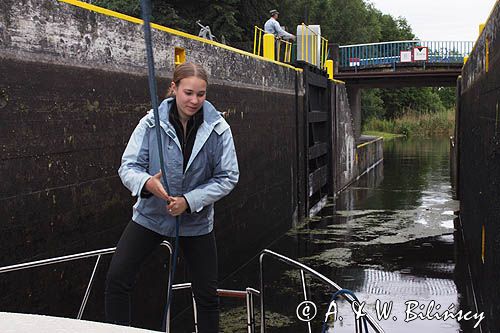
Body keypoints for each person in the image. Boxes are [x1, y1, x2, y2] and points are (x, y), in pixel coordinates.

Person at [105, 62, 239, 333]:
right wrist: (147, 183)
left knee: (207, 296)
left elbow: (228, 176)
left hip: (196, 222)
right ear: (174, 88)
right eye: (188, 92)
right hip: (151, 216)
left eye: (201, 94)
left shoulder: (218, 128)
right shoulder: (151, 122)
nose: (194, 100)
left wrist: (189, 201)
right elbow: (128, 166)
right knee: (117, 279)